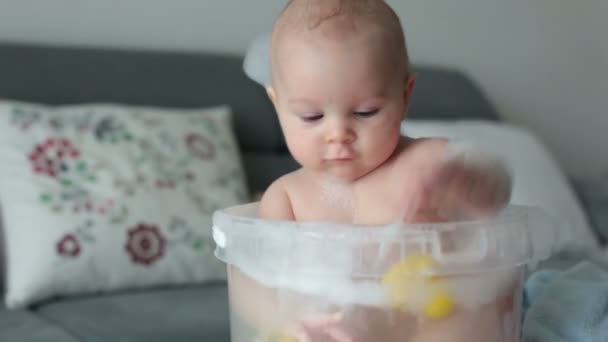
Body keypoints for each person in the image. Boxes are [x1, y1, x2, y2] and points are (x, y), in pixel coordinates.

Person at [233, 0, 515, 341]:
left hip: (424, 326)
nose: (338, 133)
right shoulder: (287, 197)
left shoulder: (428, 163)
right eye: (311, 116)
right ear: (277, 104)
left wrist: (468, 181)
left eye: (366, 112)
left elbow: (495, 194)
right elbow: (254, 280)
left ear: (404, 96)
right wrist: (288, 316)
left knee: (464, 321)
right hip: (331, 331)